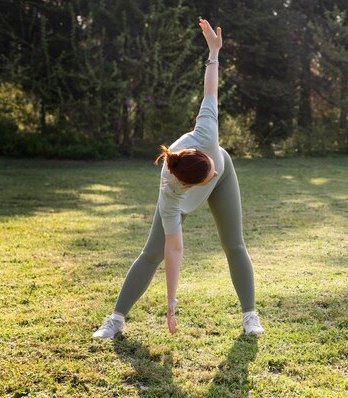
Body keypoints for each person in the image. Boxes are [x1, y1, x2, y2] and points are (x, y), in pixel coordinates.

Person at [93, 18, 263, 339]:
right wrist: (171, 304)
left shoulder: (206, 133)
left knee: (234, 244)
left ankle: (250, 315)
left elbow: (210, 88)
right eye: (205, 174)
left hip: (226, 176)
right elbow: (175, 250)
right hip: (183, 199)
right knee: (151, 253)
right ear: (188, 185)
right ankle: (116, 319)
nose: (209, 172)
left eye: (207, 166)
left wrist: (213, 52)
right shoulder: (170, 194)